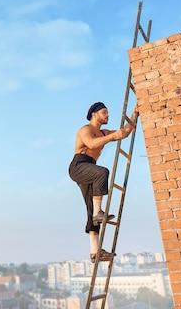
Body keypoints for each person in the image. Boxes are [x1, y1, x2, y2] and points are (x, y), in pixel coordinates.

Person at [68, 102, 137, 263]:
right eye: (104, 112)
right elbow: (91, 144)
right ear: (94, 114)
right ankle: (99, 212)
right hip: (79, 166)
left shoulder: (102, 132)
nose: (107, 115)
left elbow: (124, 133)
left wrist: (135, 114)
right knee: (103, 172)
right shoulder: (85, 130)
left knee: (92, 214)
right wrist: (112, 136)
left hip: (89, 168)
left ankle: (95, 252)